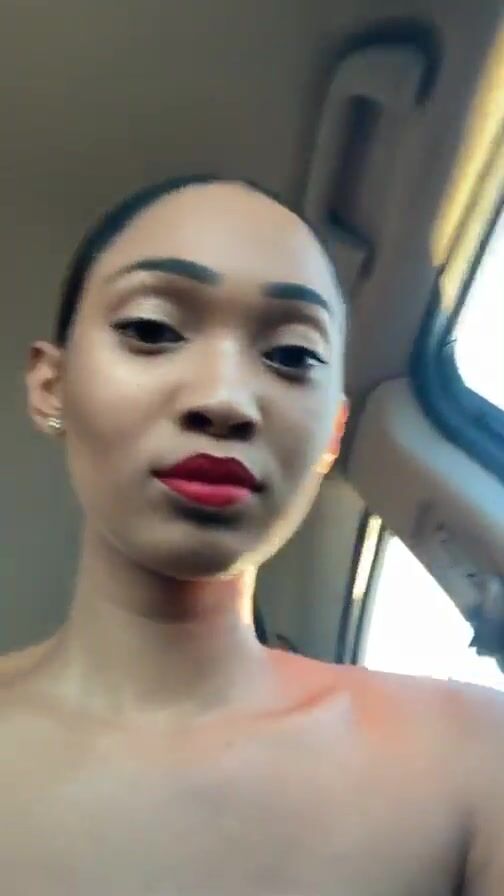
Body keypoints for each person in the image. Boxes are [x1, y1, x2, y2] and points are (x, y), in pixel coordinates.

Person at [1, 174, 502, 895]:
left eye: (292, 356)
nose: (225, 400)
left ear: (333, 433)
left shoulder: (474, 756)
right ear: (51, 385)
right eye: (152, 330)